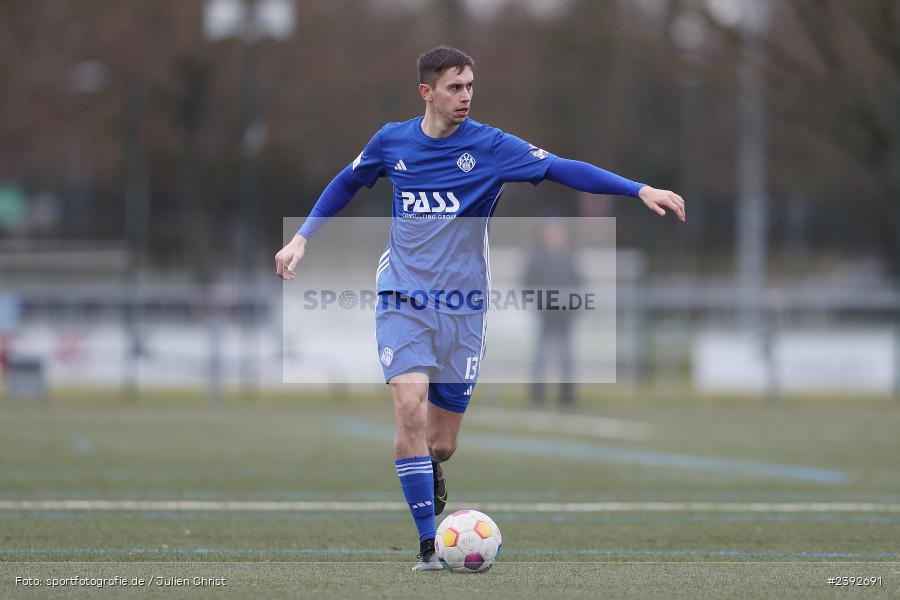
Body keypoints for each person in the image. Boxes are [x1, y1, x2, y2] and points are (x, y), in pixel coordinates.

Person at [275, 46, 685, 571]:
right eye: (454, 87)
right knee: (408, 408)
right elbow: (347, 180)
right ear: (427, 92)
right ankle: (428, 547)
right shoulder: (391, 141)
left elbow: (562, 168)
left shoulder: (491, 147)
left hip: (465, 310)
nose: (465, 96)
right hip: (402, 298)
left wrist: (638, 189)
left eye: (470, 86)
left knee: (440, 443)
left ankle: (429, 469)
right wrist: (303, 237)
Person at [523, 220, 582, 409]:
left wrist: (573, 304)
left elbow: (579, 283)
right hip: (545, 315)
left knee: (565, 356)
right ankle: (537, 395)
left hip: (565, 316)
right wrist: (538, 301)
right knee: (541, 357)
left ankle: (567, 395)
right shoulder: (537, 258)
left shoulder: (569, 257)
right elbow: (527, 282)